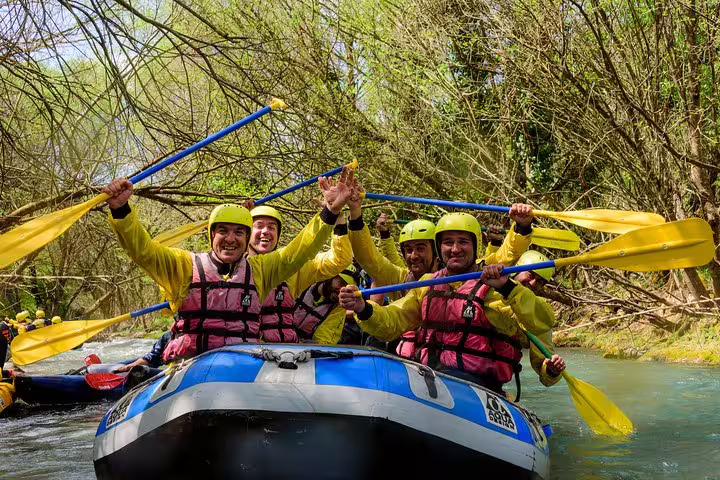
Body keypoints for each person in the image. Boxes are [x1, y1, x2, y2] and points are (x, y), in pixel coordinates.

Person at [102, 168, 353, 362]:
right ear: (211, 236)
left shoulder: (262, 271)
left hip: (244, 366)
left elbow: (301, 250)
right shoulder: (182, 265)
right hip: (193, 366)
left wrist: (331, 210)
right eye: (223, 231)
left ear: (246, 240)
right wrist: (121, 209)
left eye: (238, 233)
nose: (231, 239)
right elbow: (142, 251)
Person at [339, 211, 553, 396]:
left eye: (463, 242)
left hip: (478, 388)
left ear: (475, 246)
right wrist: (363, 308)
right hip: (429, 378)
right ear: (439, 247)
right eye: (448, 242)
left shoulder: (495, 287)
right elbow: (393, 320)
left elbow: (542, 323)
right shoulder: (427, 284)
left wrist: (507, 287)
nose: (455, 249)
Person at [247, 205, 353, 343]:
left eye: (272, 227)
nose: (265, 231)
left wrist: (338, 219)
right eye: (259, 226)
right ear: (247, 232)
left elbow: (340, 259)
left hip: (285, 352)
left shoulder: (295, 268)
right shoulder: (232, 269)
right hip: (250, 353)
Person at [485, 250, 566, 387]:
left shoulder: (537, 313)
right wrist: (493, 245)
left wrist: (551, 371)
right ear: (516, 270)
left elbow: (544, 371)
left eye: (540, 282)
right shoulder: (487, 286)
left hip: (490, 380)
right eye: (531, 275)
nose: (533, 283)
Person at [294, 265, 361, 345]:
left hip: (300, 348)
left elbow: (324, 341)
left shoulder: (338, 309)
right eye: (341, 283)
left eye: (347, 290)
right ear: (330, 275)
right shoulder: (304, 283)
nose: (341, 291)